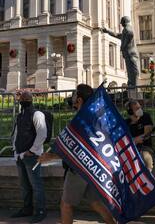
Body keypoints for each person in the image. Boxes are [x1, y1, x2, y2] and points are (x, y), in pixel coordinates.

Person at [38, 84, 115, 224]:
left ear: (79, 99)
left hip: (79, 168)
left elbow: (76, 149)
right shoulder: (94, 116)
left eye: (74, 95)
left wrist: (50, 157)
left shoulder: (81, 119)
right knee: (95, 202)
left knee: (66, 205)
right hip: (94, 167)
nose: (72, 98)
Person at [11, 91, 47, 223]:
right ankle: (27, 209)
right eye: (22, 98)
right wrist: (15, 150)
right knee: (24, 186)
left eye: (26, 98)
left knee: (36, 185)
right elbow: (16, 133)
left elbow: (42, 134)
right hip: (20, 156)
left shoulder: (37, 114)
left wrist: (31, 151)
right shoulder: (20, 115)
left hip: (32, 156)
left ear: (31, 100)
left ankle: (41, 211)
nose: (23, 99)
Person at [102, 16, 139, 87]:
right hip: (129, 53)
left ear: (124, 22)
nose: (121, 24)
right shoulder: (125, 30)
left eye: (121, 23)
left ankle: (133, 85)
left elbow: (130, 34)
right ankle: (131, 84)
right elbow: (117, 35)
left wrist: (123, 46)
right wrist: (107, 31)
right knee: (130, 71)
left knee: (132, 70)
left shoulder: (128, 30)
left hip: (130, 53)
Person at [125, 99, 154, 171]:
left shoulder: (145, 117)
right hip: (130, 148)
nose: (140, 110)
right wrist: (134, 140)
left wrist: (136, 140)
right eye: (137, 109)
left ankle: (148, 178)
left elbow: (147, 134)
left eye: (140, 107)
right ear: (130, 111)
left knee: (145, 158)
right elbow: (124, 138)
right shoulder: (126, 122)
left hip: (145, 147)